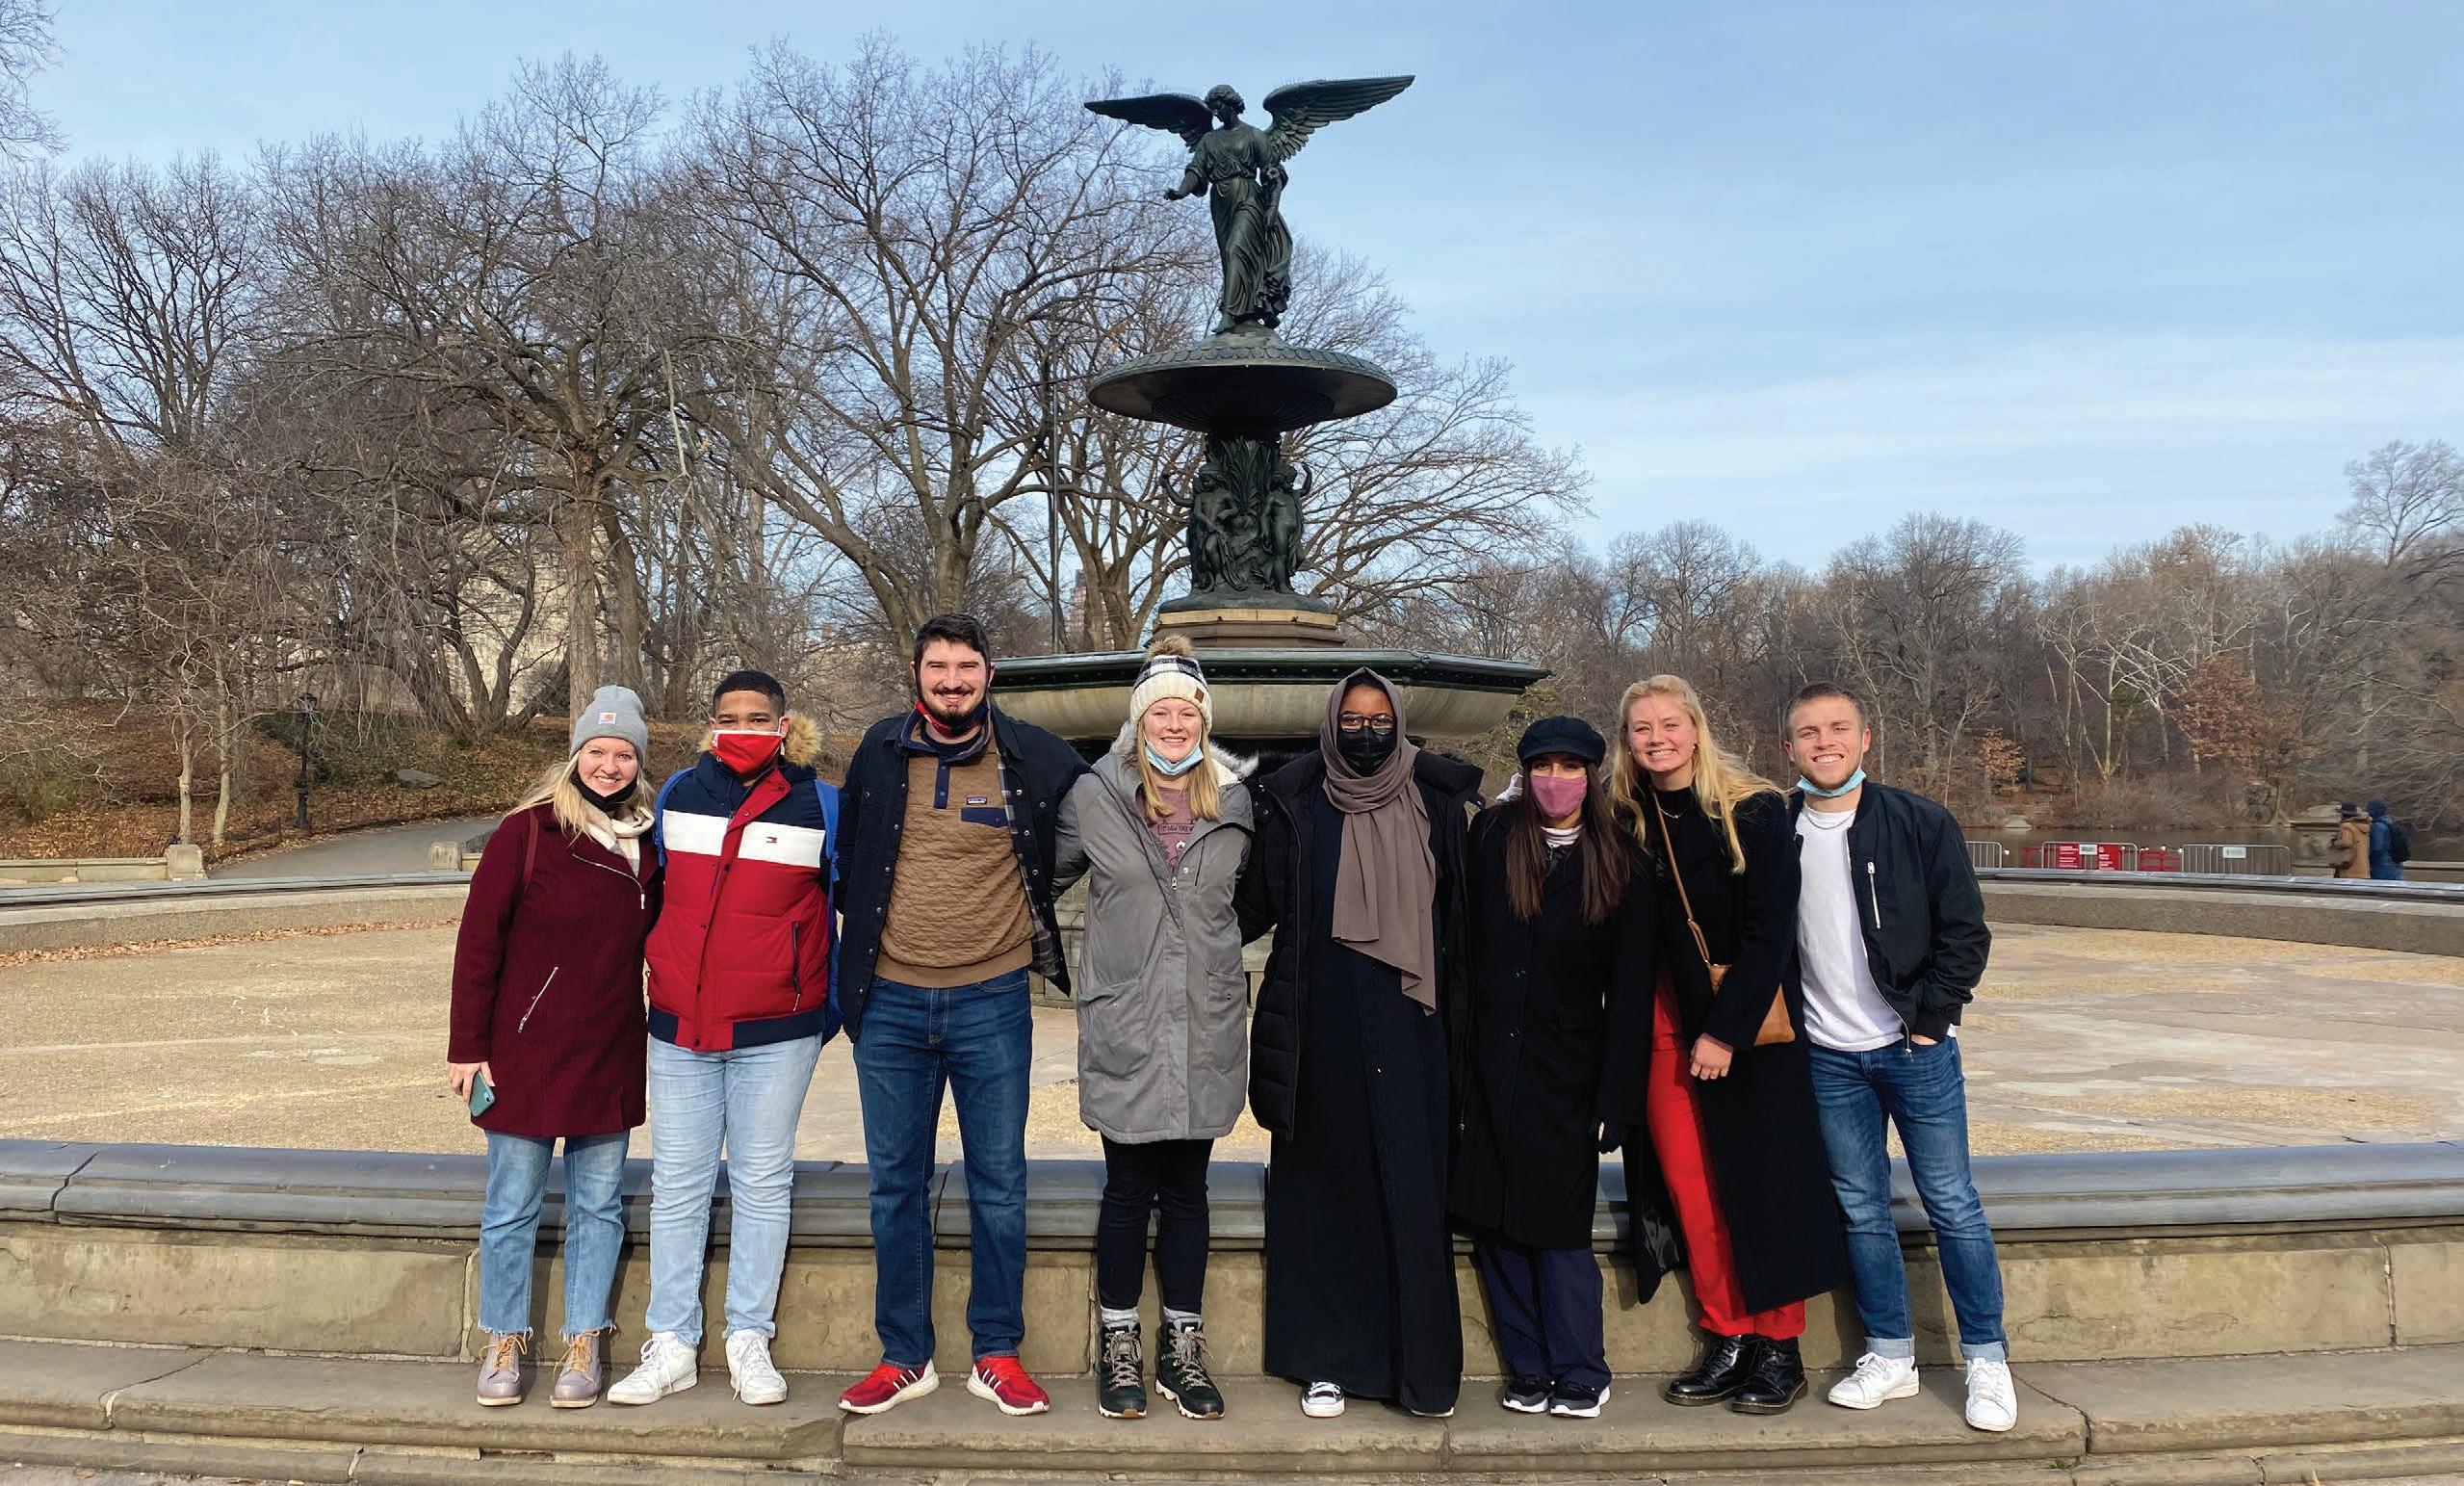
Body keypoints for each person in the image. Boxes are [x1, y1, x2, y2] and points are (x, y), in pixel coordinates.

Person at [832, 613, 1090, 1419]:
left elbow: (1091, 825)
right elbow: (849, 856)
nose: (952, 681)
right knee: (893, 1184)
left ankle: (996, 1350)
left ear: (989, 673)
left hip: (992, 998)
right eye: (938, 666)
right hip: (890, 1000)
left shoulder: (1034, 753)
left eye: (966, 666)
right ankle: (903, 1353)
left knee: (1000, 1181)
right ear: (916, 673)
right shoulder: (878, 749)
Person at [1237, 668, 1482, 1421]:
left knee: (1410, 1190)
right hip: (1321, 1023)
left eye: (1379, 720)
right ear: (1331, 724)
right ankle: (1325, 1360)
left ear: (1399, 723)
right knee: (1324, 1191)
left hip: (1415, 1025)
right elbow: (1247, 907)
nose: (1366, 732)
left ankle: (1418, 1367)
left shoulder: (1439, 802)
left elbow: (1468, 917)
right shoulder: (1295, 800)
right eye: (1352, 720)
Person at [1605, 675, 1847, 1417]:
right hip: (1659, 1028)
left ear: (1695, 728)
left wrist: (1723, 1030)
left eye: (1668, 723)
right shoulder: (1624, 817)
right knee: (1692, 1191)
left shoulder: (1752, 810)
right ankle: (1728, 1332)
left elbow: (1771, 933)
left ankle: (1779, 1345)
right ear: (1626, 740)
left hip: (1745, 1029)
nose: (1656, 738)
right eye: (1641, 727)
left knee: (1762, 1185)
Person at [1780, 683, 2015, 1433]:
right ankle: (1889, 1353)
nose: (1824, 741)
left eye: (1837, 728)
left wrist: (1930, 1021)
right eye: (1808, 731)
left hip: (1912, 1048)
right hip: (1827, 1054)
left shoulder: (1918, 820)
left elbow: (1964, 929)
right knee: (1859, 1206)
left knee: (1951, 1202)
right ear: (1789, 746)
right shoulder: (1775, 829)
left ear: (1864, 738)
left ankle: (1986, 1358)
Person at [608, 671, 841, 1409]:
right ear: (712, 724)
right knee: (677, 1183)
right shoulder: (678, 793)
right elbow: (652, 891)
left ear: (783, 724)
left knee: (762, 1181)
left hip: (777, 1029)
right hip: (682, 1024)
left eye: (758, 717)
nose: (744, 727)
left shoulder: (820, 802)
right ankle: (672, 1341)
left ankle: (748, 1336)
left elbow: (848, 905)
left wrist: (824, 1006)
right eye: (730, 716)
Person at [1052, 636, 1254, 1422]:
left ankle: (1181, 1346)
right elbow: (1037, 876)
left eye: (1187, 713)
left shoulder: (1235, 800)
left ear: (1203, 721)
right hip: (1128, 1022)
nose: (1174, 724)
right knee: (1128, 1189)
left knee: (1190, 1191)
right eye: (1160, 712)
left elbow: (1252, 899)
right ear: (1139, 720)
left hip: (1203, 1023)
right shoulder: (1095, 794)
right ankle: (1119, 1341)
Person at [449, 686, 660, 1409]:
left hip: (610, 1047)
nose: (609, 765)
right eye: (597, 751)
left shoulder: (647, 841)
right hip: (524, 1049)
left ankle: (584, 1337)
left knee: (599, 1205)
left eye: (623, 754)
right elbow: (479, 943)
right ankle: (503, 1337)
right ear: (575, 756)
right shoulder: (529, 831)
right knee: (511, 1204)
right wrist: (467, 1046)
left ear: (638, 763)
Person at [1451, 716, 1665, 1421]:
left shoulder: (1624, 863)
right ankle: (1529, 1366)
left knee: (1558, 1225)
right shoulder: (1492, 838)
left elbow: (1630, 995)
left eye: (1570, 767)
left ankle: (1579, 1366)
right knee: (1496, 1221)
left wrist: (1617, 1096)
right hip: (1489, 1061)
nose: (1555, 779)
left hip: (1568, 1069)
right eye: (1542, 766)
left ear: (1591, 776)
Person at [2367, 799, 2408, 881]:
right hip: (2395, 865)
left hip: (2382, 867)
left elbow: (2377, 848)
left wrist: (2369, 861)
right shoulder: (2390, 823)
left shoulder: (2378, 826)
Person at [2331, 804, 2372, 879]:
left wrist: (2335, 843)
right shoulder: (2363, 826)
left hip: (2351, 868)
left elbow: (2347, 842)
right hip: (2363, 868)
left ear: (2343, 814)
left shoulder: (2346, 826)